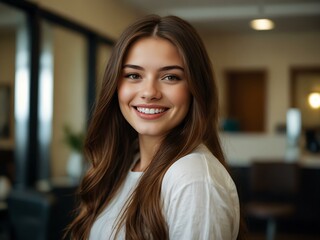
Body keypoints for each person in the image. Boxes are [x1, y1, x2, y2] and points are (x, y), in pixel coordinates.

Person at [66, 15, 243, 240]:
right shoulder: (126, 162)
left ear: (195, 88)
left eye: (170, 77)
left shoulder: (193, 179)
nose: (149, 92)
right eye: (133, 75)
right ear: (115, 85)